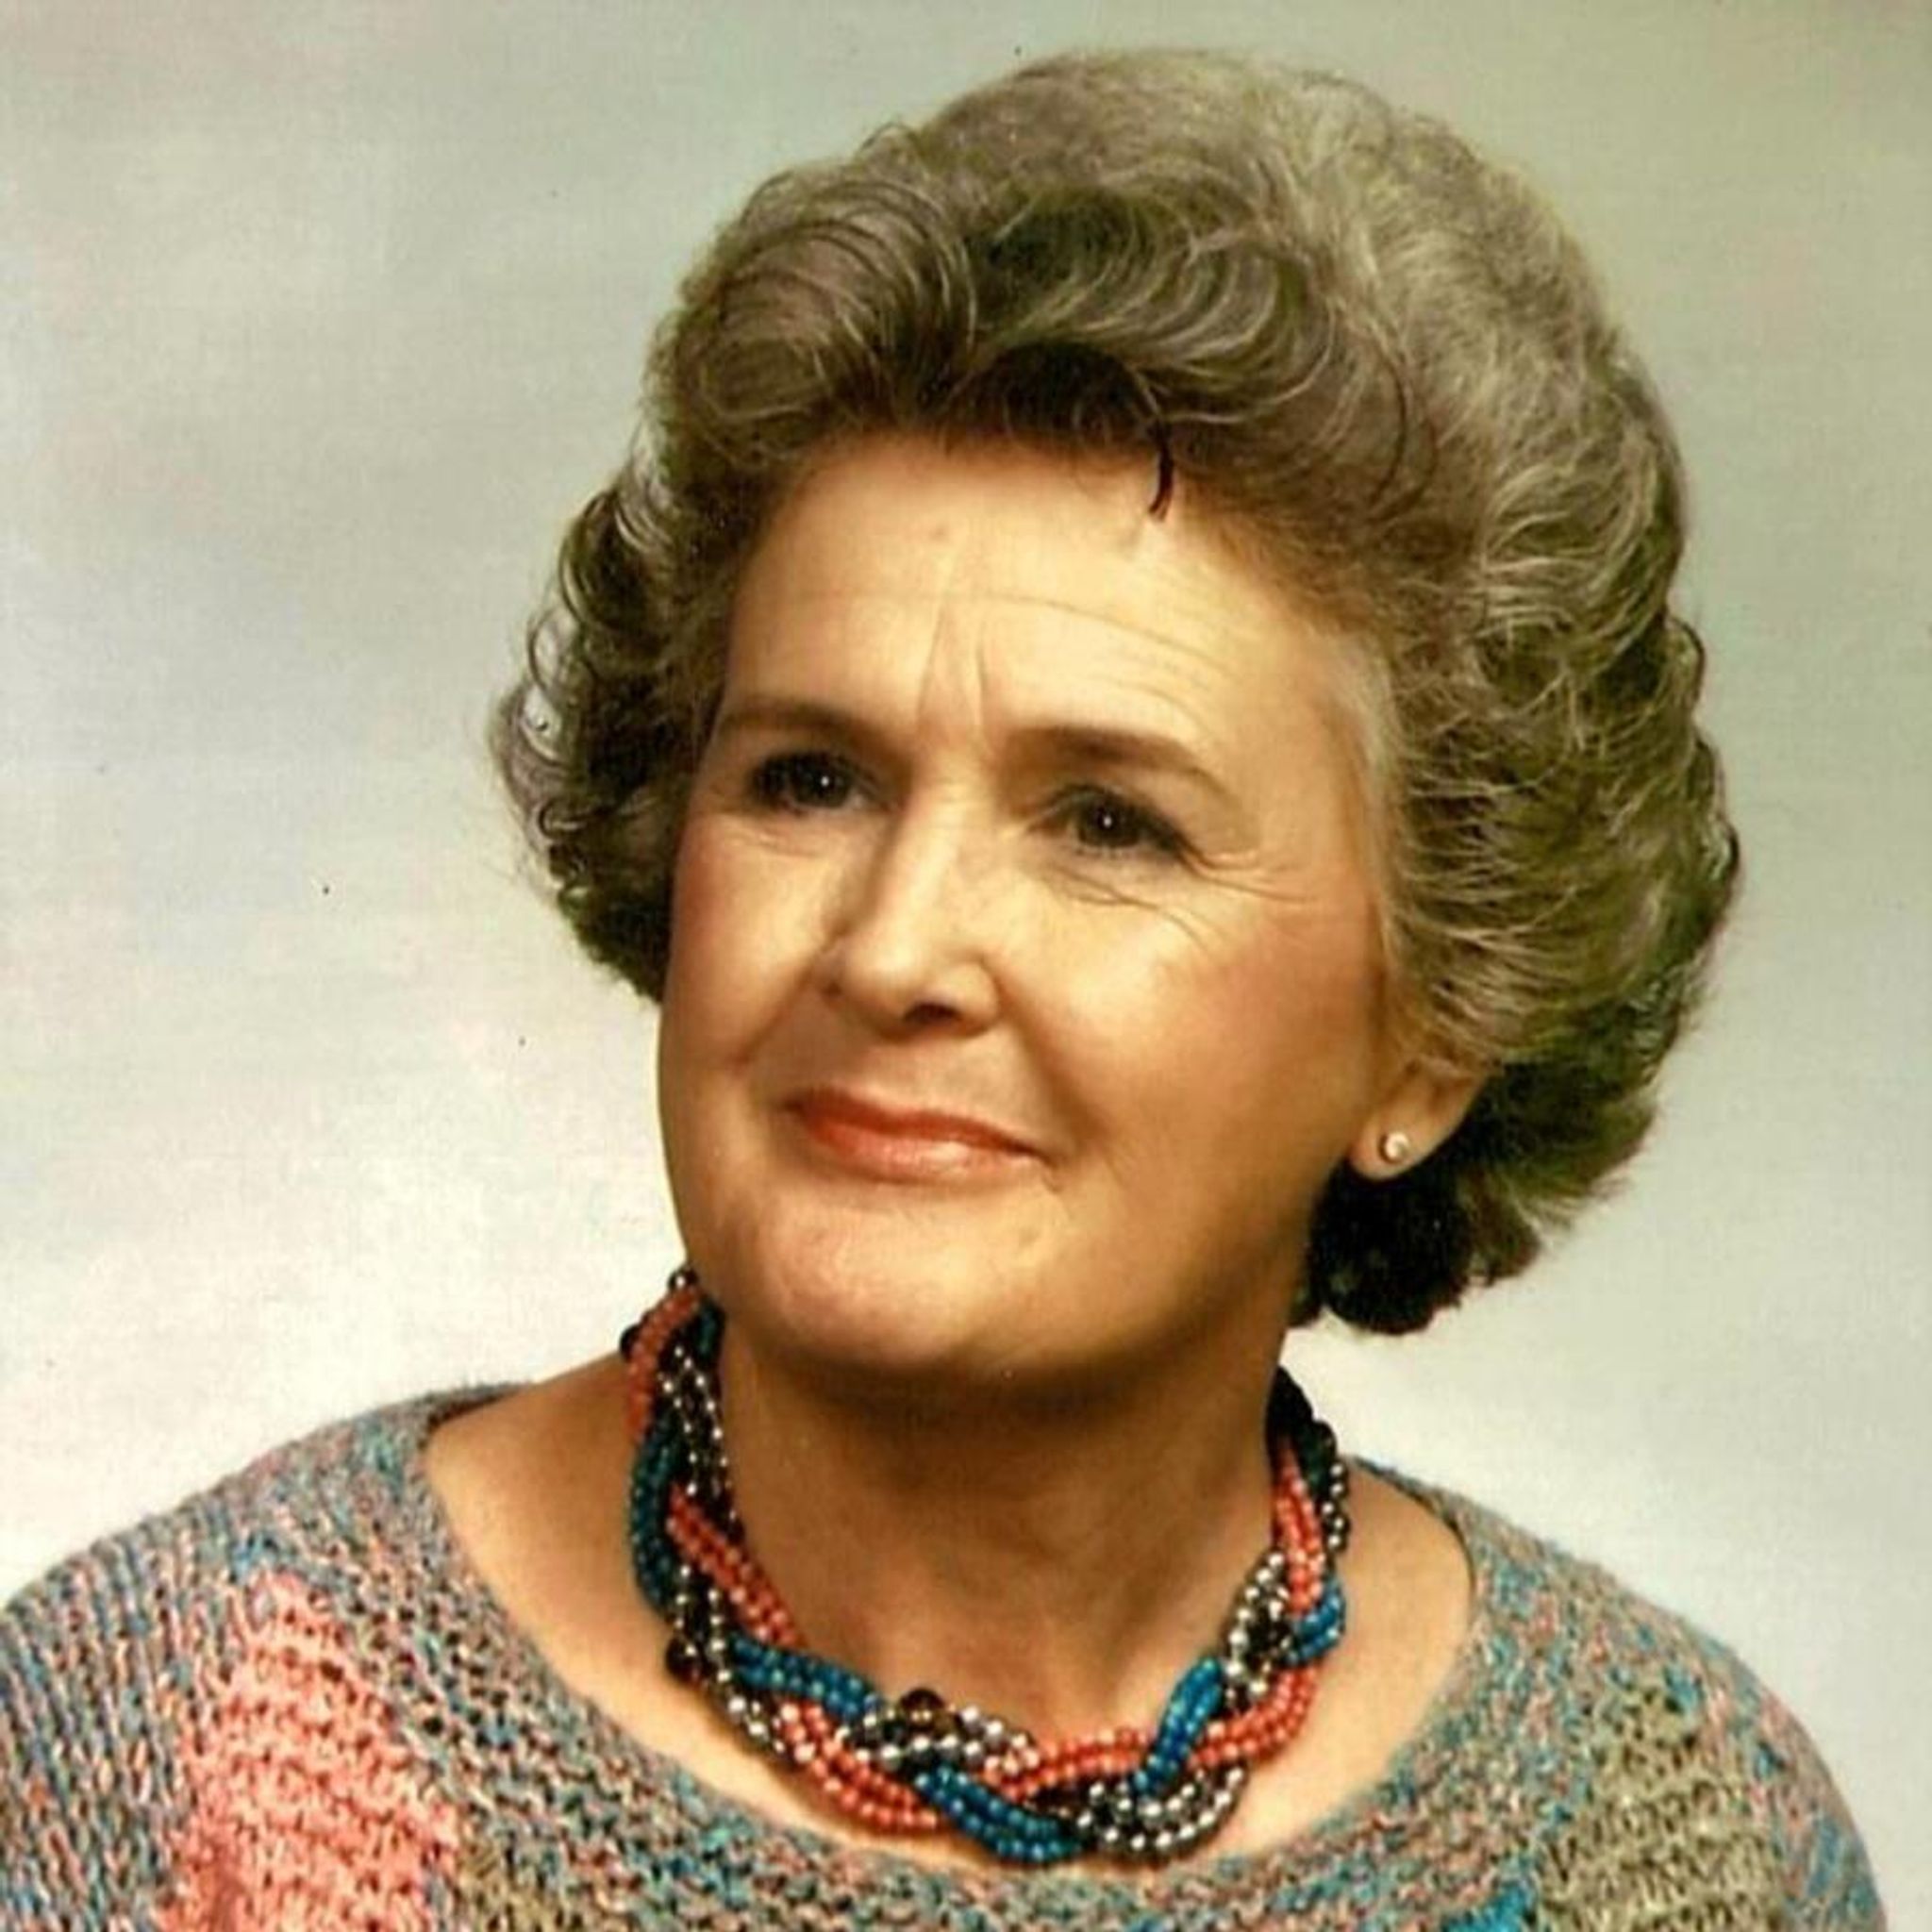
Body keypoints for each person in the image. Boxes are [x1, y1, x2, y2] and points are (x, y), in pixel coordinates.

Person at [0, 48, 1884, 1929]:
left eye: (1109, 825)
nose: (893, 949)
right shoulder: (144, 1764)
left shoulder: (1687, 1839)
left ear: (1439, 1021)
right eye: (809, 779)